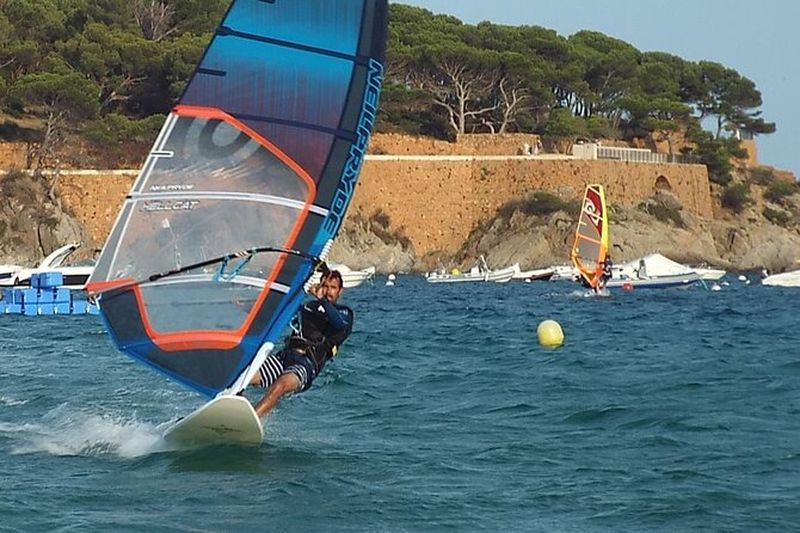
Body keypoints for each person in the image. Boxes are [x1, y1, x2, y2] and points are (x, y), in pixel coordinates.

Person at [248, 270, 353, 418]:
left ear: (340, 291)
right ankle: (230, 408)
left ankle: (251, 419)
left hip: (306, 364)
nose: (328, 290)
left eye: (333, 287)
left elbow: (339, 324)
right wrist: (248, 306)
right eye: (325, 285)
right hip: (283, 357)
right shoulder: (308, 307)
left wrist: (322, 300)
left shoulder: (344, 313)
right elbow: (280, 312)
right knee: (245, 374)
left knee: (280, 386)